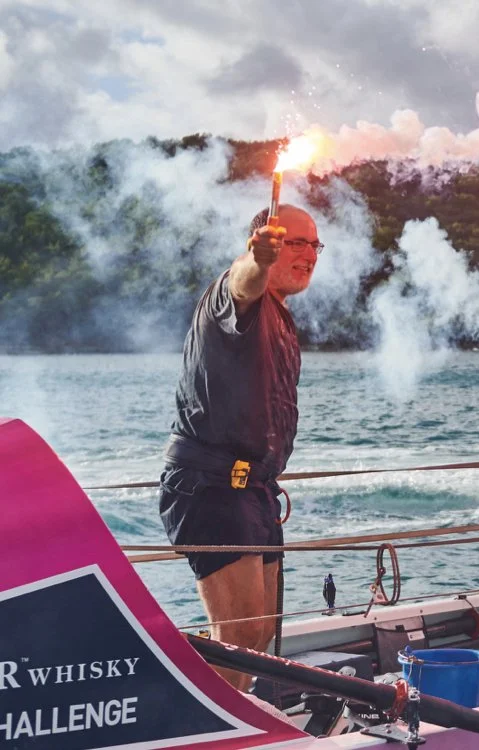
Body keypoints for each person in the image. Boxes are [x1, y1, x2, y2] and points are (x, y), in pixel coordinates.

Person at [158, 204, 322, 690]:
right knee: (239, 637)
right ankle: (206, 736)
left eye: (315, 246)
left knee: (261, 633)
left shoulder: (281, 316)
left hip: (253, 488)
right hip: (211, 483)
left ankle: (240, 725)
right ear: (262, 241)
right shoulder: (234, 297)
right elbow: (244, 281)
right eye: (296, 243)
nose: (309, 255)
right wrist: (257, 259)